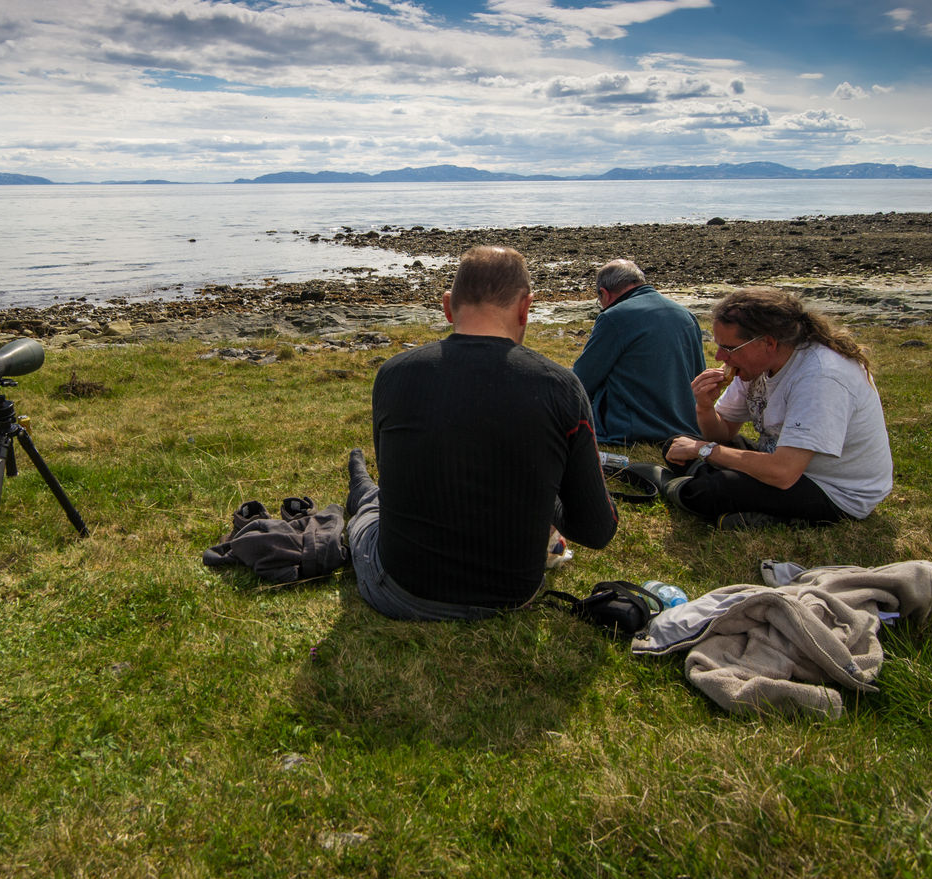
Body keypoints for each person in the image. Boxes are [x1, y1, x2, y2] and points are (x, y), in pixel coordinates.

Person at [345, 245, 618, 621]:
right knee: (377, 501)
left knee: (373, 509)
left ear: (447, 306)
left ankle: (359, 489)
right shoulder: (561, 387)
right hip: (512, 594)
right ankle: (360, 486)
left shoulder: (394, 373)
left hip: (402, 590)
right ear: (525, 307)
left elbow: (401, 481)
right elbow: (598, 529)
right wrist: (546, 494)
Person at [661, 287, 893, 529]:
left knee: (713, 488)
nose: (720, 357)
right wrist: (705, 408)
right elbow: (723, 433)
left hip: (834, 489)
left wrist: (704, 451)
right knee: (677, 444)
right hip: (781, 463)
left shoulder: (820, 377)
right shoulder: (753, 368)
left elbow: (783, 473)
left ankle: (698, 486)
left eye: (729, 348)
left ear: (768, 343)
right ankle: (718, 490)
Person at [571, 259, 706, 445]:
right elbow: (698, 373)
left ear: (604, 293)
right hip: (687, 425)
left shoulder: (614, 317)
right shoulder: (685, 315)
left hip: (636, 429)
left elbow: (583, 379)